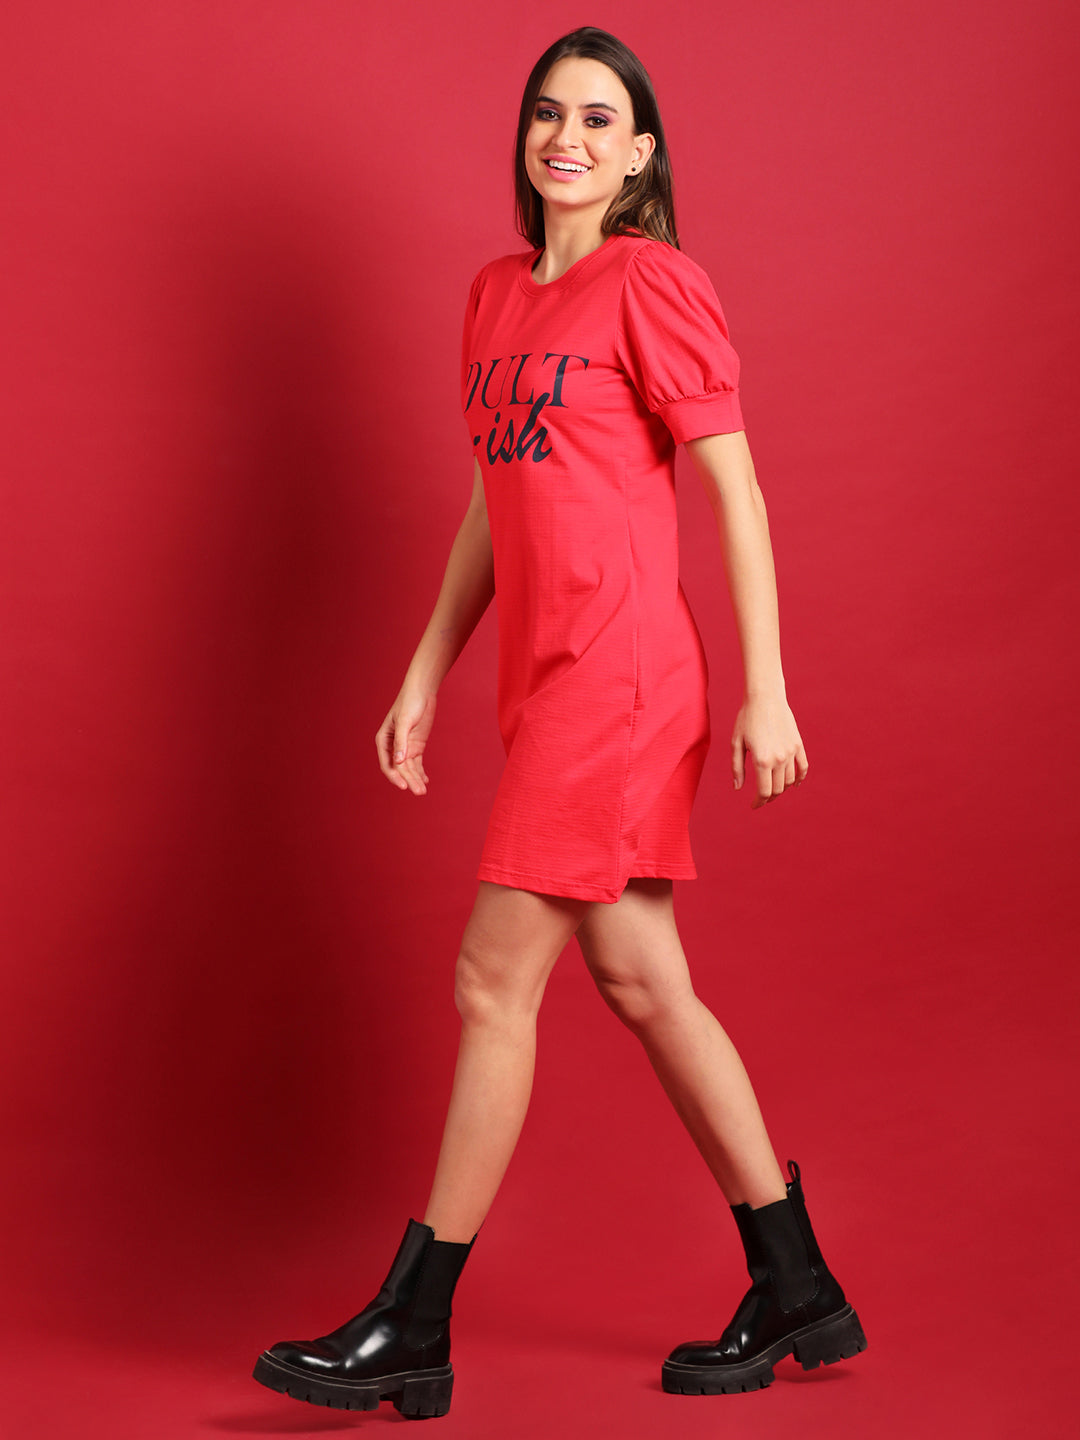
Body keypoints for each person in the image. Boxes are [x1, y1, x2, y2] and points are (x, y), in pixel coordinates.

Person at [252, 26, 866, 1419]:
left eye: (597, 118)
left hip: (623, 677)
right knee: (644, 980)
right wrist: (427, 669)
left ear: (641, 153)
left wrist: (767, 685)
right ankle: (799, 1284)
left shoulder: (654, 282)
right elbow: (496, 499)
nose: (566, 137)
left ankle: (414, 1322)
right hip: (543, 677)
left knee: (492, 985)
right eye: (547, 113)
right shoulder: (493, 295)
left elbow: (736, 489)